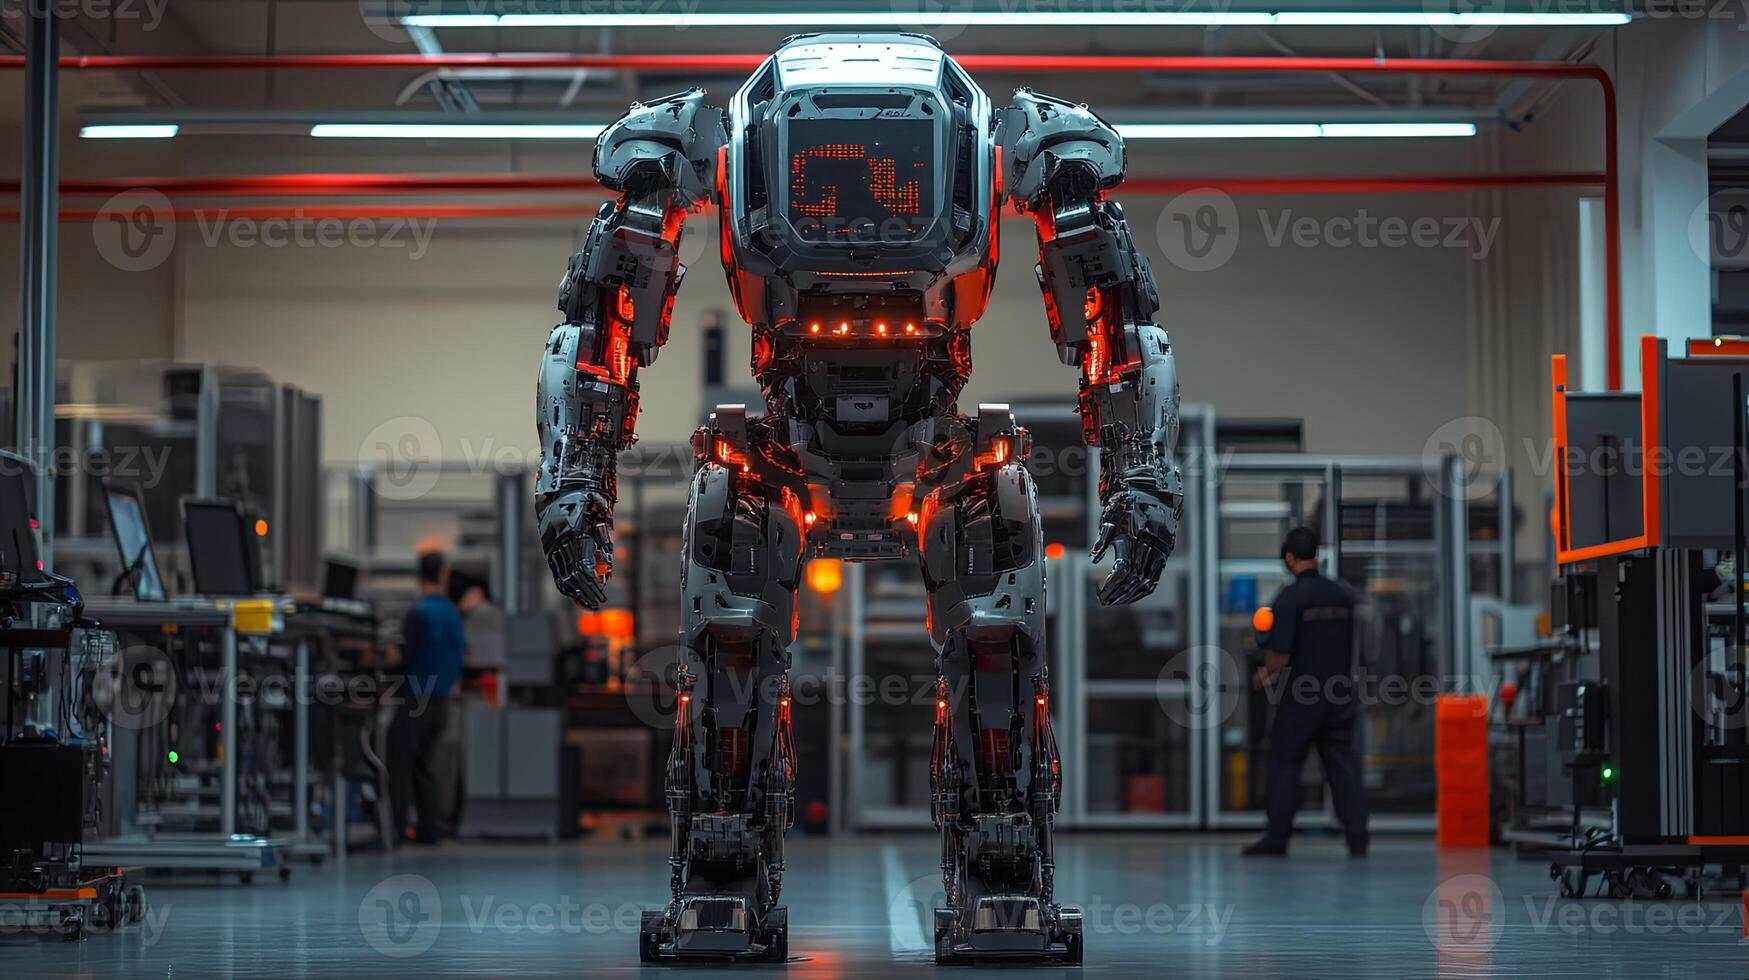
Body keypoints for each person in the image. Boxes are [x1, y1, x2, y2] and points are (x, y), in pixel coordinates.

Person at [1242, 526, 1369, 857]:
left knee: (1285, 764)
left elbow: (1280, 653)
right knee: (1343, 768)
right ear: (1316, 555)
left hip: (1302, 698)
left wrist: (1264, 676)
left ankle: (1277, 838)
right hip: (1340, 695)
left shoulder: (1289, 598)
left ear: (1289, 558)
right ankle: (1357, 836)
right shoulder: (1343, 596)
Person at [389, 550, 466, 845]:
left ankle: (394, 831)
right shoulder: (452, 615)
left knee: (399, 765)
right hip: (441, 702)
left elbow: (404, 656)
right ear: (443, 575)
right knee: (424, 766)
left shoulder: (420, 613)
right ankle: (429, 830)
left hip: (416, 700)